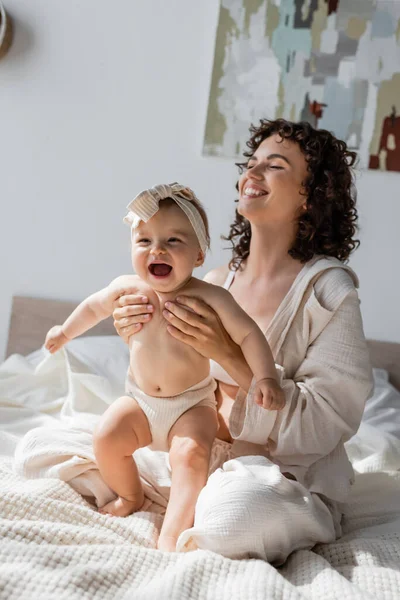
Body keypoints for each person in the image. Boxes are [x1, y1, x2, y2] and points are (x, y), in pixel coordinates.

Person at [112, 119, 374, 563]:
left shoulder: (329, 294)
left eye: (273, 166)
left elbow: (321, 425)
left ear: (310, 195)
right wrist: (137, 334)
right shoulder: (213, 281)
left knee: (239, 513)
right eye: (250, 163)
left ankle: (212, 510)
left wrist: (230, 355)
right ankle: (188, 498)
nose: (251, 174)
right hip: (197, 454)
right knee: (60, 452)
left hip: (280, 473)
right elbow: (174, 392)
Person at [43, 182, 284, 552]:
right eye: (145, 241)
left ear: (199, 255)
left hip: (191, 406)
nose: (157, 249)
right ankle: (130, 495)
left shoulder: (211, 296)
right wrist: (65, 331)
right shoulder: (127, 289)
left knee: (190, 456)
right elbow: (92, 307)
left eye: (174, 241)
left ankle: (173, 532)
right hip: (139, 401)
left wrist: (265, 376)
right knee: (106, 437)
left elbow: (250, 334)